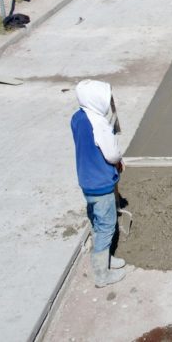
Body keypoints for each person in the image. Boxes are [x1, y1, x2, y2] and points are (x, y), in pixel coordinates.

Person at [71, 79, 128, 287]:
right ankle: (102, 274)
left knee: (97, 221)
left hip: (86, 180)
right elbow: (112, 155)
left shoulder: (78, 118)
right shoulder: (100, 124)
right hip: (101, 183)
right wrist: (119, 159)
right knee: (106, 226)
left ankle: (104, 259)